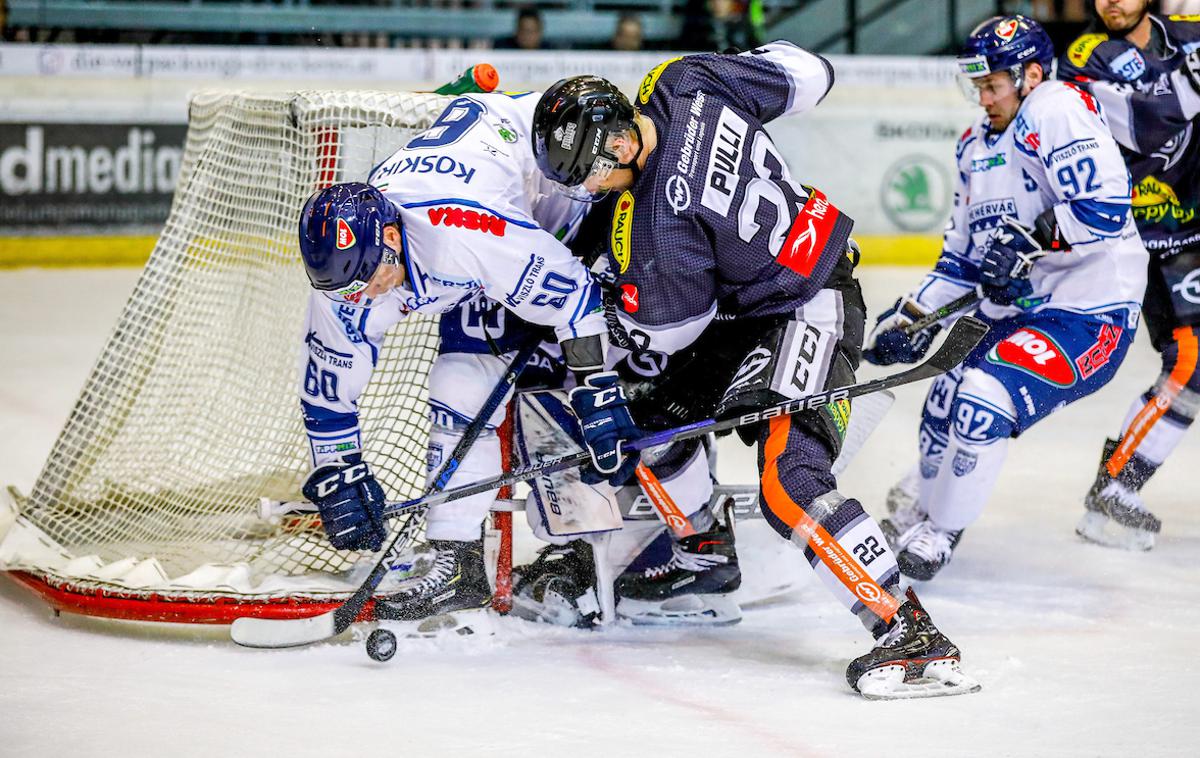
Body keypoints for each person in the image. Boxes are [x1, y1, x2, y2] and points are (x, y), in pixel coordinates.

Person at [530, 45, 979, 699]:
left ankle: (908, 631)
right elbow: (811, 72)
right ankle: (704, 554)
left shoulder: (651, 225)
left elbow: (669, 331)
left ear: (620, 149)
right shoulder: (683, 82)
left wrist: (592, 331)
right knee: (649, 422)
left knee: (788, 484)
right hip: (762, 301)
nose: (588, 191)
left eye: (589, 176)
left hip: (809, 306)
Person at [297, 90, 740, 634]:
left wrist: (596, 390)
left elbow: (574, 299)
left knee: (583, 390)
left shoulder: (466, 235)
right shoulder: (346, 276)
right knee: (461, 387)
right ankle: (457, 564)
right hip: (496, 200)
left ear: (391, 237)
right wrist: (340, 472)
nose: (361, 298)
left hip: (570, 193)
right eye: (347, 290)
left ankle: (680, 540)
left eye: (368, 282)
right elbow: (327, 392)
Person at [865, 17, 1147, 577]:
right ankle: (927, 494)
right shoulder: (974, 145)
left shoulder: (1054, 106)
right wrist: (910, 318)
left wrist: (1027, 240)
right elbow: (963, 261)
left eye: (992, 85)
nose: (983, 97)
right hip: (1021, 312)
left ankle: (940, 531)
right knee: (944, 397)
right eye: (978, 86)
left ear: (1032, 75)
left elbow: (1107, 209)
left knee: (980, 397)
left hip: (1089, 312)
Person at [1056, 0, 1200, 549]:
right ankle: (1116, 483)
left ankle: (1119, 483)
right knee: (1190, 361)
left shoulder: (1187, 32)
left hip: (1193, 224)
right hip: (1145, 237)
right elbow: (1151, 121)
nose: (1111, 1)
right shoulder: (1084, 58)